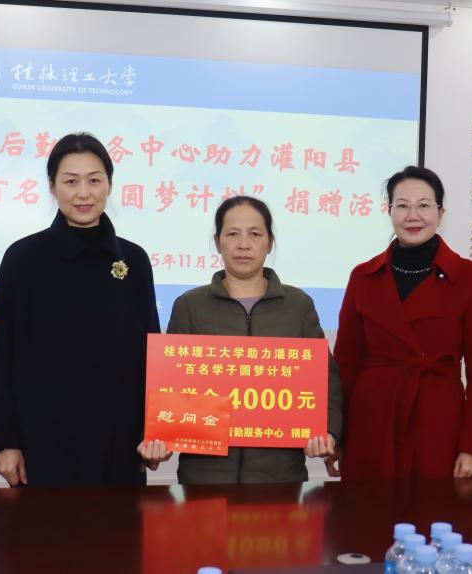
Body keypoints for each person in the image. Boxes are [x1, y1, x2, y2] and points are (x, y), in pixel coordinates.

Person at [0, 132, 160, 486]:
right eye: (71, 181)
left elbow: (151, 353)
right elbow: (0, 354)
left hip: (118, 443)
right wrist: (7, 441)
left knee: (119, 524)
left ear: (109, 185)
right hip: (42, 442)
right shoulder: (23, 259)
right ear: (52, 187)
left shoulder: (134, 260)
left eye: (94, 180)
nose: (83, 193)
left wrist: (153, 432)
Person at [137, 196, 342, 483]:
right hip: (204, 477)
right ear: (218, 241)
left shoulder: (298, 305)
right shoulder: (190, 306)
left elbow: (326, 380)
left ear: (269, 242)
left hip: (280, 477)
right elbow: (168, 387)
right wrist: (158, 440)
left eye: (255, 234)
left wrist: (328, 432)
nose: (243, 244)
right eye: (232, 234)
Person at [333, 166, 472, 480]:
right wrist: (337, 436)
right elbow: (345, 365)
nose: (413, 215)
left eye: (423, 205)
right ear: (389, 211)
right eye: (402, 205)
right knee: (366, 510)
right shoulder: (363, 276)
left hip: (437, 423)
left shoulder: (468, 277)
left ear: (440, 213)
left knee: (434, 509)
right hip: (371, 423)